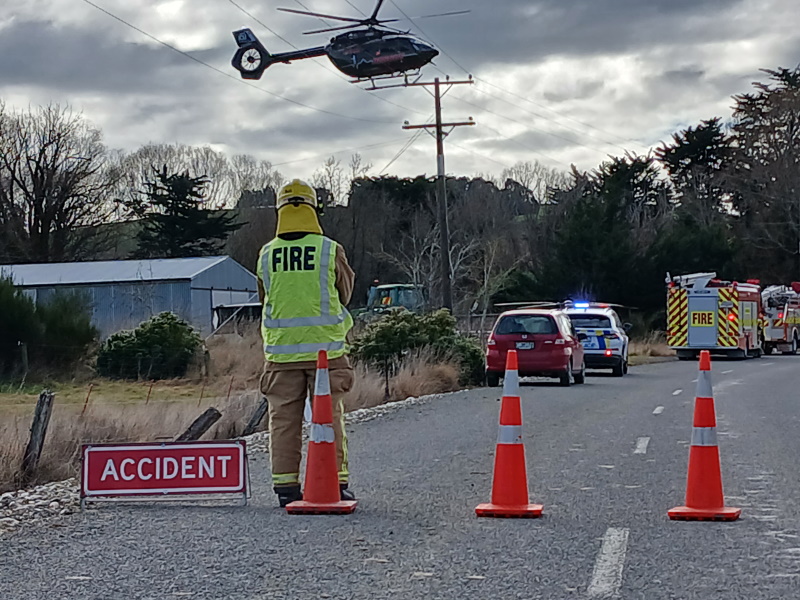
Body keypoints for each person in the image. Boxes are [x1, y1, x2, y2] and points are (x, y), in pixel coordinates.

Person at [256, 179, 356, 507]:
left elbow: (264, 298)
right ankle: (335, 484)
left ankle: (285, 487)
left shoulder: (267, 254)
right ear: (314, 210)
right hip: (327, 353)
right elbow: (345, 292)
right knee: (328, 416)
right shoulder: (329, 249)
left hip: (281, 354)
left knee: (283, 420)